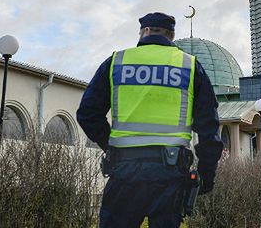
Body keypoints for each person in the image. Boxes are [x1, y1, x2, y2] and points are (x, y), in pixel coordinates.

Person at [77, 12, 223, 228]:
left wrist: (110, 145)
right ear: (171, 36)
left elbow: (87, 114)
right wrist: (206, 174)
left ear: (145, 32)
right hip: (171, 173)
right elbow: (209, 127)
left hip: (124, 171)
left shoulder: (117, 62)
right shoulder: (190, 66)